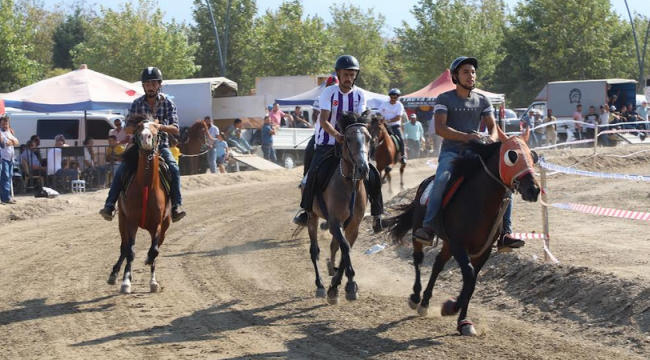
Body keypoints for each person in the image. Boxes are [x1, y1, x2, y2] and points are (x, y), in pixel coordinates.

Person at [412, 56, 523, 249]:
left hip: (475, 154)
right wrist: (466, 137)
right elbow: (440, 128)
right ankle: (429, 226)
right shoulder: (444, 98)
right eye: (465, 72)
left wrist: (491, 138)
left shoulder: (482, 100)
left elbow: (493, 128)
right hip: (451, 153)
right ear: (455, 76)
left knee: (504, 183)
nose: (471, 75)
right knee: (441, 179)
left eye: (473, 72)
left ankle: (505, 233)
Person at [293, 55, 384, 232]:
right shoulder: (328, 92)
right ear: (338, 74)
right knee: (313, 173)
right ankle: (306, 210)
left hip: (350, 143)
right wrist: (336, 135)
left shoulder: (359, 95)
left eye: (352, 74)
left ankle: (378, 213)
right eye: (345, 74)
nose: (349, 78)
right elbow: (324, 120)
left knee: (371, 172)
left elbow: (360, 121)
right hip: (327, 141)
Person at [99, 66, 186, 222]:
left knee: (174, 169)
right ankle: (110, 204)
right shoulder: (136, 104)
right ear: (143, 86)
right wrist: (142, 125)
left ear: (159, 85)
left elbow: (175, 128)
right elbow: (127, 130)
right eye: (147, 84)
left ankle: (176, 206)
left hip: (161, 146)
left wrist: (158, 127)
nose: (150, 87)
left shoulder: (168, 104)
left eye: (153, 84)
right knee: (121, 170)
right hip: (138, 147)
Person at [305, 75, 339, 176]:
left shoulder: (343, 98)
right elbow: (315, 116)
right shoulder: (319, 99)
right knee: (309, 151)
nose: (331, 88)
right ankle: (306, 177)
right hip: (323, 134)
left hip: (341, 135)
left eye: (333, 86)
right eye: (329, 86)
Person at [379, 88, 407, 164]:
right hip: (384, 126)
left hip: (395, 126)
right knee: (374, 136)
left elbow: (398, 117)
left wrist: (388, 121)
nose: (393, 99)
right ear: (389, 97)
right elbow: (379, 113)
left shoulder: (399, 105)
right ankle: (372, 154)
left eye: (395, 97)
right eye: (391, 97)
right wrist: (380, 119)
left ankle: (403, 156)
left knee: (401, 138)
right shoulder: (384, 103)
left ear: (397, 98)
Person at [0, 116, 19, 204]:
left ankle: (7, 196)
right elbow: (6, 143)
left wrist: (11, 141)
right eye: (3, 124)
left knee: (8, 177)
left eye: (6, 124)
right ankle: (5, 197)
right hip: (3, 158)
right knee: (5, 177)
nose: (5, 125)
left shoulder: (9, 131)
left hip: (10, 158)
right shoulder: (1, 132)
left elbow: (16, 142)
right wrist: (11, 141)